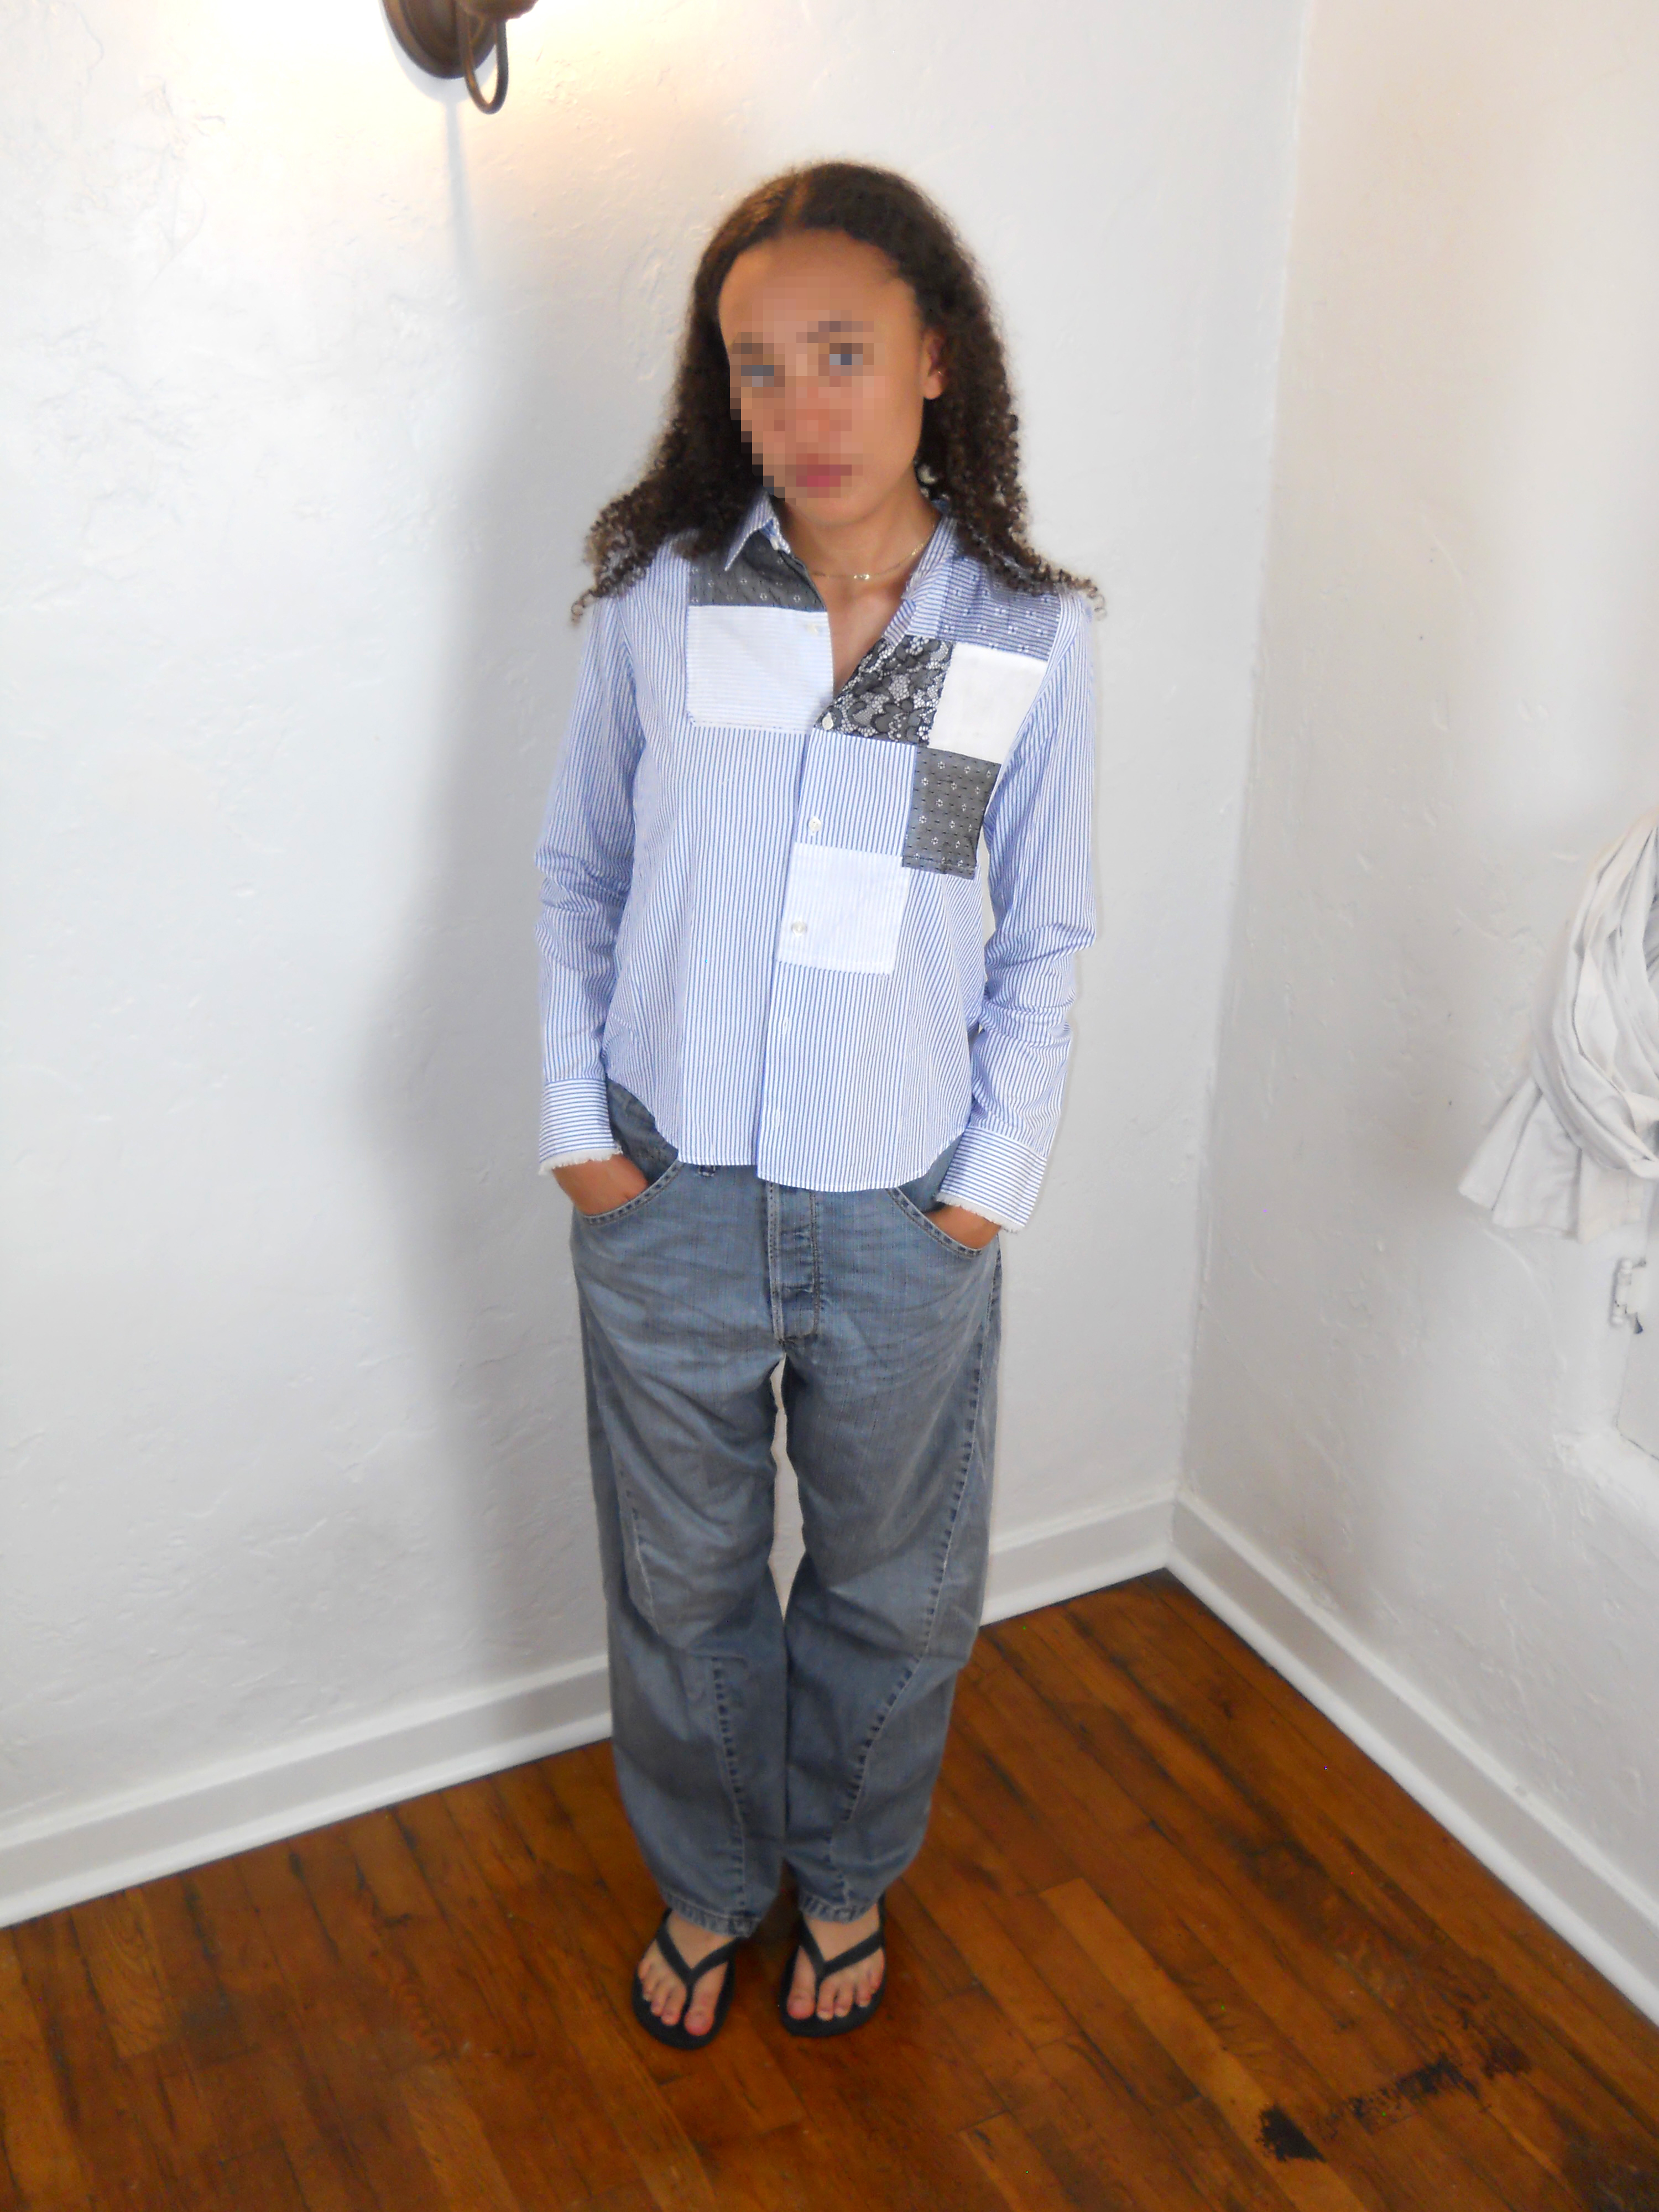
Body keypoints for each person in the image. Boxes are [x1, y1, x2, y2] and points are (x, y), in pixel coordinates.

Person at [535, 161, 1097, 2047]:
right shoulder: (664, 600)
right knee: (681, 1585)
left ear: (936, 356)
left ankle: (843, 1876)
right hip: (666, 1185)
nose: (801, 407)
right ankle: (712, 1882)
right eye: (758, 365)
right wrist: (581, 1134)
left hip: (900, 1205)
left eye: (843, 352)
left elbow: (1048, 934)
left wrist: (984, 1184)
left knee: (894, 1588)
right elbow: (579, 873)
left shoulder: (1025, 634)